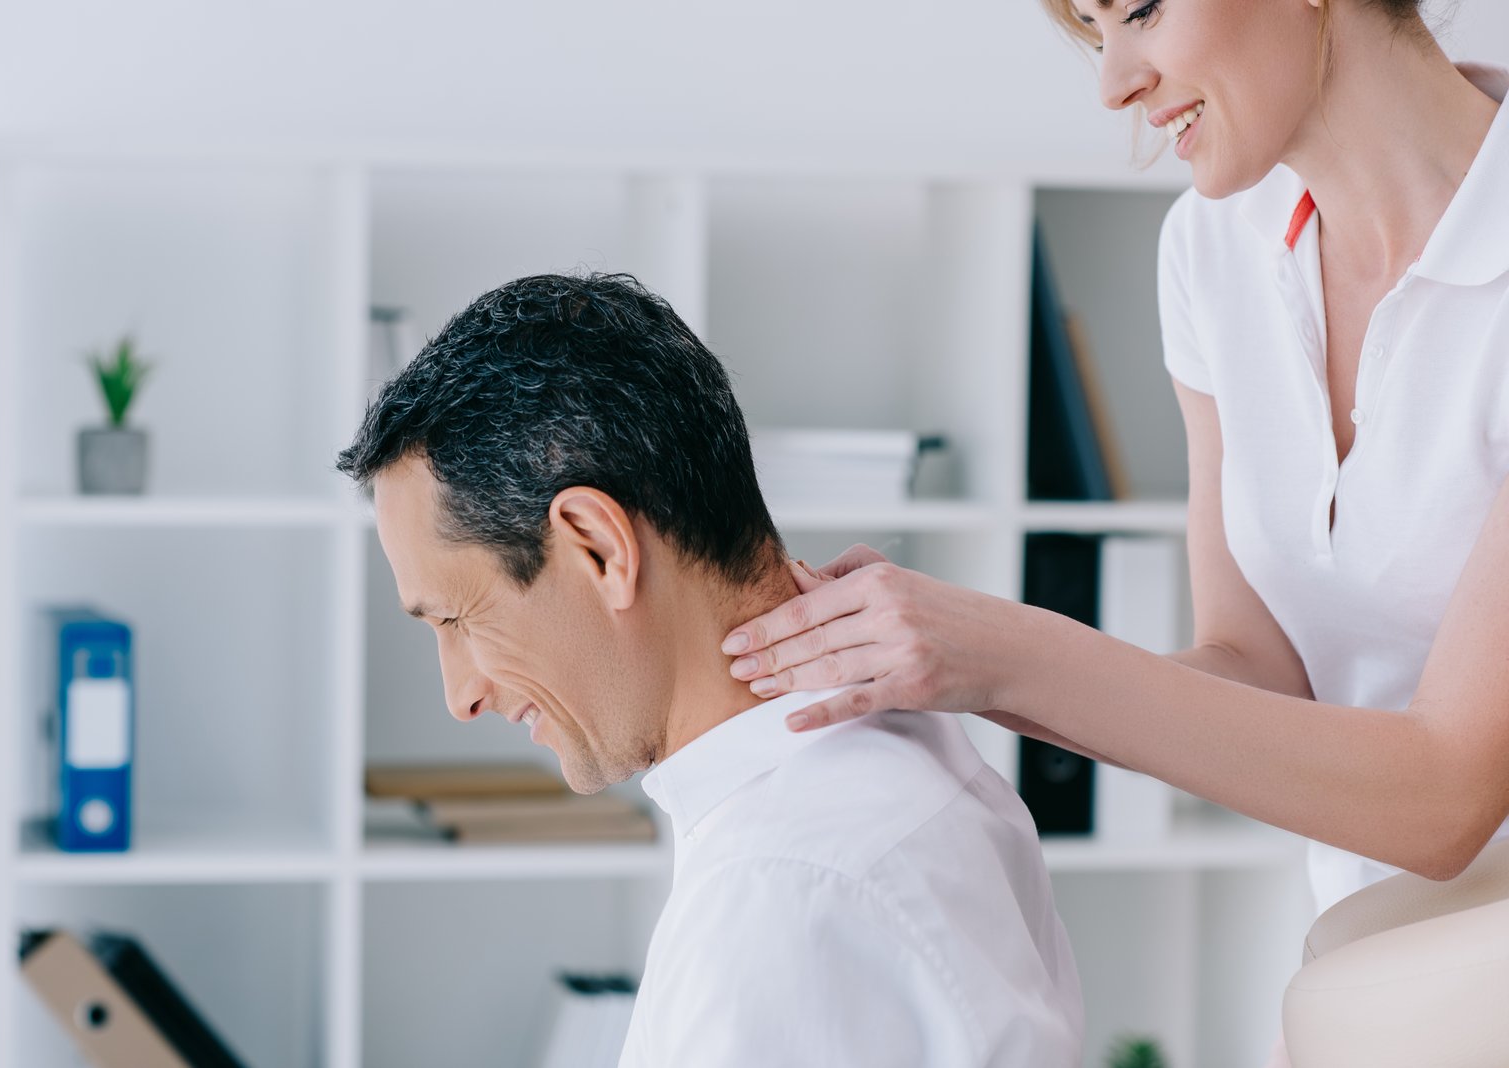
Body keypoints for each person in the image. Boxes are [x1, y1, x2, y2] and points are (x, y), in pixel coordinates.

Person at [722, 1, 1509, 1061]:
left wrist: (1009, 653)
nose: (1114, 83)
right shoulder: (1212, 251)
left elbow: (1444, 797)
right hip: (1381, 984)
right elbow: (1257, 670)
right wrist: (954, 676)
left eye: (1139, 9)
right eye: (1093, 33)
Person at [338, 273, 1083, 1066]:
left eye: (455, 619)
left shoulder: (775, 897)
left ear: (597, 546)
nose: (462, 695)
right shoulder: (910, 756)